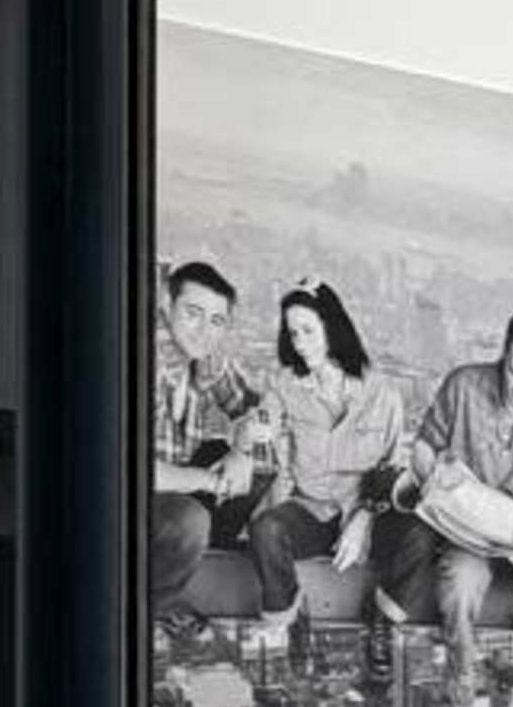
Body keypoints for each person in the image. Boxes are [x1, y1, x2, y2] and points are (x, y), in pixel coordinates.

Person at [380, 307, 513, 690]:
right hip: (468, 531)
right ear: (503, 355)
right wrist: (436, 478)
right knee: (459, 584)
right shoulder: (463, 386)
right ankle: (462, 670)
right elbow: (423, 447)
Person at [252, 280, 405, 609]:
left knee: (419, 537)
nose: (301, 345)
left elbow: (393, 471)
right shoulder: (285, 387)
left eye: (308, 331)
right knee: (266, 529)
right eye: (293, 334)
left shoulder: (382, 393)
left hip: (368, 515)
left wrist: (364, 518)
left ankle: (387, 618)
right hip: (313, 512)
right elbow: (258, 427)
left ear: (332, 328)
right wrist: (252, 443)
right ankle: (283, 619)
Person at [151, 259, 275, 616]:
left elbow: (259, 409)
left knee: (262, 465)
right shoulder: (144, 360)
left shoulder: (205, 358)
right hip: (121, 496)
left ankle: (191, 553)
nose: (204, 330)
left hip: (176, 480)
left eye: (216, 321)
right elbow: (130, 470)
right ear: (166, 306)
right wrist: (211, 481)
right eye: (193, 313)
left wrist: (241, 451)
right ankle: (153, 610)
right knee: (189, 519)